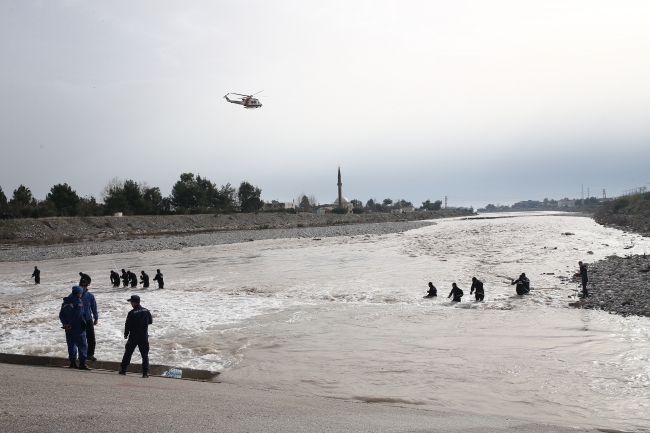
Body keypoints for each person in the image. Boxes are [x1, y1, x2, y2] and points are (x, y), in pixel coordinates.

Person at [119, 295, 153, 378]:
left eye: (131, 302)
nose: (130, 303)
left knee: (128, 353)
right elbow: (150, 321)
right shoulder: (146, 311)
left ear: (134, 302)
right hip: (144, 336)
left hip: (134, 336)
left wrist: (126, 334)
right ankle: (145, 373)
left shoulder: (131, 313)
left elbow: (128, 325)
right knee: (144, 354)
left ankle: (123, 370)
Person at [59, 286, 91, 370]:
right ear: (78, 294)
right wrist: (71, 324)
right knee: (82, 345)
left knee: (71, 344)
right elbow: (78, 315)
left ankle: (72, 362)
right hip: (77, 327)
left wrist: (65, 323)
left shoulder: (65, 302)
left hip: (67, 328)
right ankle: (82, 363)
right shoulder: (78, 302)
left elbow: (61, 314)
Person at [80, 279, 99, 361]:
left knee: (91, 338)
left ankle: (90, 354)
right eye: (82, 285)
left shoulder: (90, 296)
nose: (83, 287)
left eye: (85, 285)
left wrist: (96, 317)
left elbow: (94, 307)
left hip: (88, 319)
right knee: (80, 338)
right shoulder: (75, 295)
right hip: (78, 320)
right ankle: (81, 355)